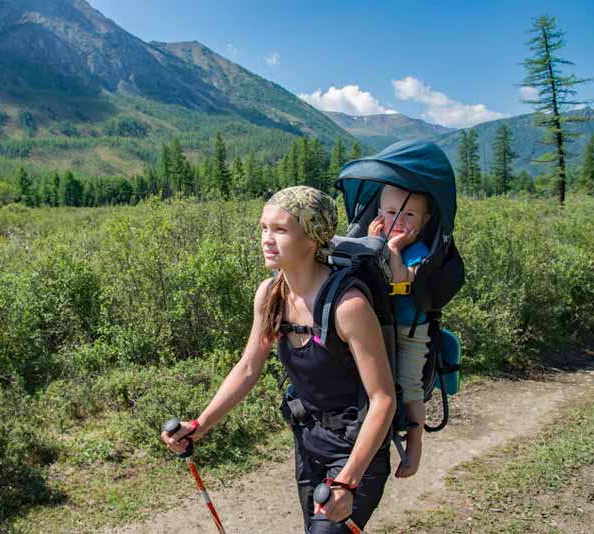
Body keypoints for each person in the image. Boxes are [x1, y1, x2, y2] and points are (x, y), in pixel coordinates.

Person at [162, 186, 396, 533]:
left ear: (313, 237)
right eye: (263, 228)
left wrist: (347, 482)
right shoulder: (270, 294)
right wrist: (200, 426)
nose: (266, 239)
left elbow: (383, 399)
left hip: (355, 451)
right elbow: (247, 368)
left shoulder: (349, 308)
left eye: (281, 229)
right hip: (309, 443)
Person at [367, 184, 431, 479]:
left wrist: (392, 248)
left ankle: (415, 444)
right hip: (378, 329)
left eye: (409, 214)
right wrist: (371, 243)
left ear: (424, 221)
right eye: (392, 213)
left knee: (409, 385)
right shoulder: (375, 242)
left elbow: (399, 279)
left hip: (410, 330)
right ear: (380, 215)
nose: (399, 221)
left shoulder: (418, 251)